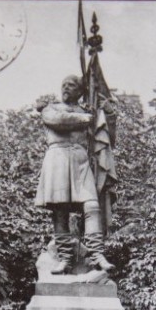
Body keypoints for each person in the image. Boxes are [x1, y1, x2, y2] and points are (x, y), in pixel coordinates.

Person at [35, 75, 114, 274]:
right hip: (58, 159)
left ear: (81, 91)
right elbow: (58, 121)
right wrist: (87, 118)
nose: (66, 88)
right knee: (60, 210)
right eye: (64, 85)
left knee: (92, 205)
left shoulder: (89, 111)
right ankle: (65, 259)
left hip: (79, 160)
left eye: (72, 85)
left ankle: (97, 254)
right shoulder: (50, 108)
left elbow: (107, 134)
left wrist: (108, 113)